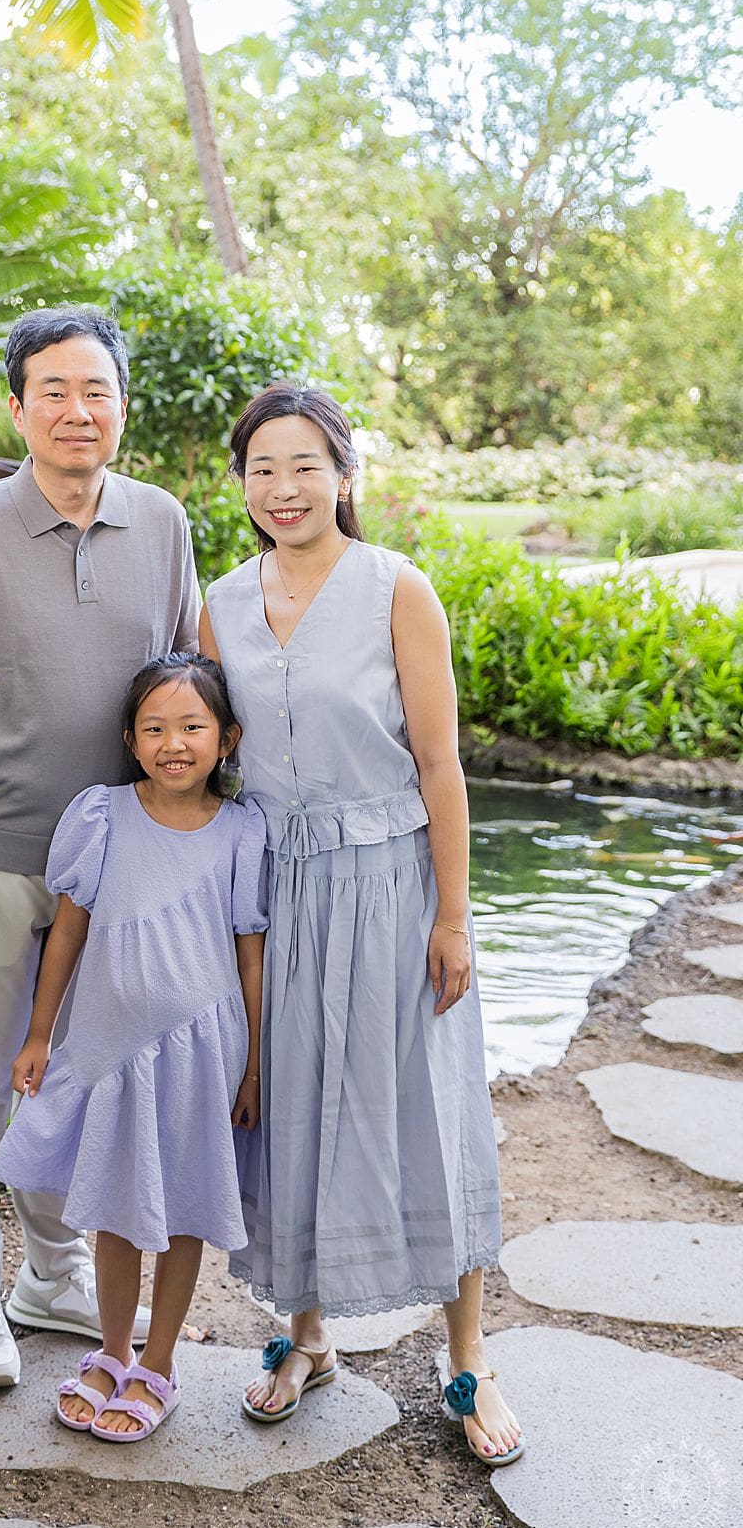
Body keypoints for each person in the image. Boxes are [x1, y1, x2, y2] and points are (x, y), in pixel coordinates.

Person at [200, 384, 523, 1467]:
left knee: (427, 1105)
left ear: (344, 475)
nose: (282, 489)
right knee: (286, 1106)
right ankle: (305, 1339)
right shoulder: (220, 602)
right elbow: (210, 757)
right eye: (261, 469)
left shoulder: (397, 587)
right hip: (278, 889)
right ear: (239, 482)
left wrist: (454, 916)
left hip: (391, 885)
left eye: (304, 466)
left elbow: (440, 765)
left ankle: (468, 1361)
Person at [0, 307, 199, 1391]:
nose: (79, 411)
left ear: (123, 406)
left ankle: (53, 1270)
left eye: (98, 391)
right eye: (56, 392)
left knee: (80, 1079)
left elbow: (183, 689)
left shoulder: (163, 521)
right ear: (18, 407)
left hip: (116, 870)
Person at [0, 653, 266, 1442]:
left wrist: (255, 1064)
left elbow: (250, 950)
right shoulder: (103, 815)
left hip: (205, 1051)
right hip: (111, 1046)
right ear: (130, 738)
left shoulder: (244, 832)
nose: (173, 743)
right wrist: (41, 1035)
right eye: (154, 728)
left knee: (182, 1209)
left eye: (191, 727)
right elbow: (67, 930)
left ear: (227, 738)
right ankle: (111, 1353)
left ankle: (160, 1363)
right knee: (115, 1207)